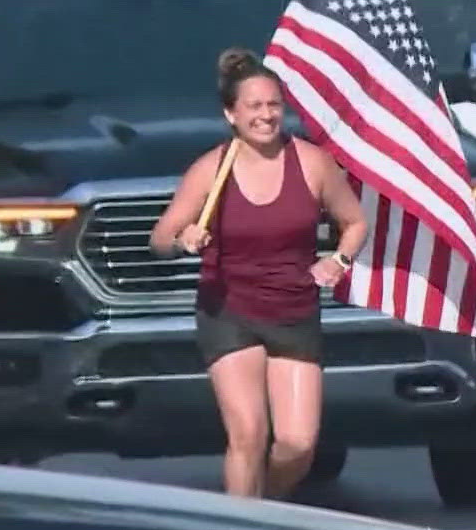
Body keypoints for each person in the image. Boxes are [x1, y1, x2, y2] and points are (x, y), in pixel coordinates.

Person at [149, 48, 368, 499]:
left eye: (274, 105)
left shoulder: (310, 162)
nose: (266, 116)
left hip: (293, 309)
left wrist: (339, 261)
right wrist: (183, 239)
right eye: (254, 107)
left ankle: (257, 505)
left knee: (297, 445)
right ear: (231, 114)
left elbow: (355, 222)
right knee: (248, 435)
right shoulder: (211, 169)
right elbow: (160, 238)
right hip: (229, 309)